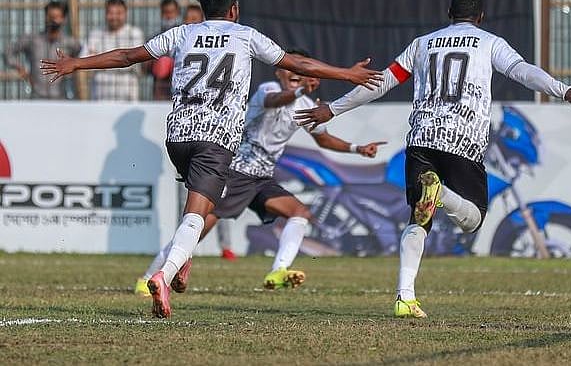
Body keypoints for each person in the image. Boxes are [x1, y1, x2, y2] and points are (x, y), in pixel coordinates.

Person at [41, 0, 383, 318]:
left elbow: (129, 56)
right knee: (196, 217)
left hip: (178, 137)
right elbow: (297, 64)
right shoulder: (246, 37)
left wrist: (77, 64)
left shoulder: (183, 33)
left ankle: (181, 261)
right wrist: (346, 74)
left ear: (203, 8)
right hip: (215, 140)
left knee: (201, 215)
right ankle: (161, 274)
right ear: (234, 8)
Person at [295, 0, 571, 318]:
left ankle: (405, 296)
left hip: (422, 138)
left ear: (448, 14)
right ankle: (441, 195)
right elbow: (522, 71)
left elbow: (382, 82)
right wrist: (564, 90)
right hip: (463, 140)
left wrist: (334, 109)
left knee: (418, 219)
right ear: (480, 17)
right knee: (473, 219)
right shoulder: (489, 42)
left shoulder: (422, 44)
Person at [134, 63, 386, 296]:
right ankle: (148, 280)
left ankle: (278, 270)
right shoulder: (269, 88)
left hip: (262, 179)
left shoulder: (305, 105)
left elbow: (324, 139)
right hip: (236, 173)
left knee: (299, 213)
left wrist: (357, 148)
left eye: (300, 70)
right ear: (280, 72)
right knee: (197, 229)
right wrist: (298, 93)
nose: (294, 73)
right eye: (290, 68)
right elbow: (274, 101)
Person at [4, 1, 81, 99]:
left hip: (60, 97)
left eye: (56, 17)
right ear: (45, 17)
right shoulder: (33, 39)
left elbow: (82, 56)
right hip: (37, 96)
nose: (53, 20)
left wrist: (74, 70)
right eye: (50, 16)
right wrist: (20, 68)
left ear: (63, 19)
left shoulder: (70, 42)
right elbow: (8, 52)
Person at [80, 0, 145, 101]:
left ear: (125, 13)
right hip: (100, 96)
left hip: (127, 95)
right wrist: (118, 61)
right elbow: (84, 61)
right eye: (110, 13)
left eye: (118, 13)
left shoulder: (134, 33)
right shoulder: (95, 34)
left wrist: (97, 59)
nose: (114, 17)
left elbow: (134, 62)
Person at [149, 0, 183, 100]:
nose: (168, 16)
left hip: (180, 85)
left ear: (177, 13)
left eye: (171, 12)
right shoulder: (156, 37)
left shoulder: (184, 35)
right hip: (161, 86)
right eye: (165, 12)